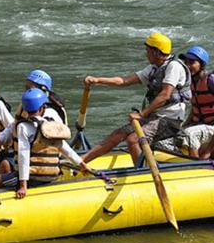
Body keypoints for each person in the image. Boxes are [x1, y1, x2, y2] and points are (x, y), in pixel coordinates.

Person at [81, 32, 191, 166]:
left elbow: (165, 95)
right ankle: (81, 161)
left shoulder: (174, 67)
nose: (146, 53)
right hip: (154, 118)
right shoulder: (152, 69)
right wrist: (97, 80)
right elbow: (124, 81)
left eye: (148, 50)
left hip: (170, 120)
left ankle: (143, 171)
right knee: (118, 134)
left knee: (133, 139)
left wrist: (141, 114)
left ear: (156, 52)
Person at [0, 88, 88, 199]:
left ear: (25, 108)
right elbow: (64, 147)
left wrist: (23, 186)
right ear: (42, 108)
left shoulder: (23, 127)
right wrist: (81, 164)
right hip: (52, 176)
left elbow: (23, 156)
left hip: (32, 179)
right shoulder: (51, 125)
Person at [177, 46, 214, 157]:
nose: (188, 66)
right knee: (177, 134)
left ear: (202, 65)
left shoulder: (212, 79)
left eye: (192, 62)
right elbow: (196, 108)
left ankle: (196, 165)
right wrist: (184, 125)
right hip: (199, 124)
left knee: (190, 134)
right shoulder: (190, 81)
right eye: (186, 62)